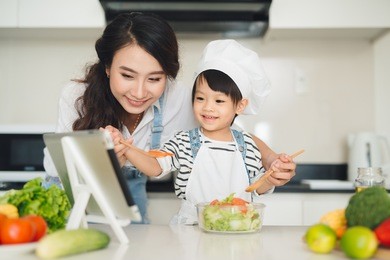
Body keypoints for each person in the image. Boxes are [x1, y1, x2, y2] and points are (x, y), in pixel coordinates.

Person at [43, 12, 295, 224]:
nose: (139, 92)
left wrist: (271, 158)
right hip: (68, 192)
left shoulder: (179, 99)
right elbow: (62, 169)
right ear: (107, 67)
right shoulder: (76, 96)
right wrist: (101, 162)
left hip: (129, 195)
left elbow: (232, 133)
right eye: (128, 76)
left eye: (154, 79)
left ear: (168, 76)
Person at [110, 39, 297, 224]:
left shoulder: (248, 145)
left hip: (238, 227)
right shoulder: (183, 142)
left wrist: (270, 179)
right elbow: (155, 166)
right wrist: (126, 148)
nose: (207, 107)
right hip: (191, 229)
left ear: (240, 105)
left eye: (219, 101)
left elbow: (256, 187)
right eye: (200, 98)